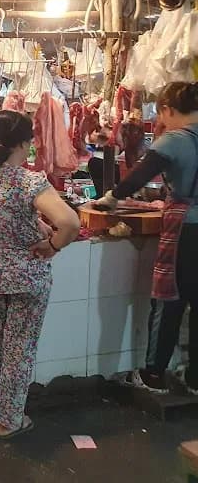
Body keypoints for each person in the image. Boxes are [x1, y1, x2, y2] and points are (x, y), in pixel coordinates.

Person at [0, 110, 80, 439]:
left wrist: (35, 224)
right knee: (20, 348)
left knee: (1, 343)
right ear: (25, 144)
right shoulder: (29, 182)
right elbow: (70, 222)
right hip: (24, 278)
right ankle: (9, 420)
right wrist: (53, 246)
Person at [94, 81, 198, 394]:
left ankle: (153, 375)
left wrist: (112, 198)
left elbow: (139, 174)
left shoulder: (176, 140)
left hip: (186, 229)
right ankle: (195, 379)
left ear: (167, 109)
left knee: (169, 300)